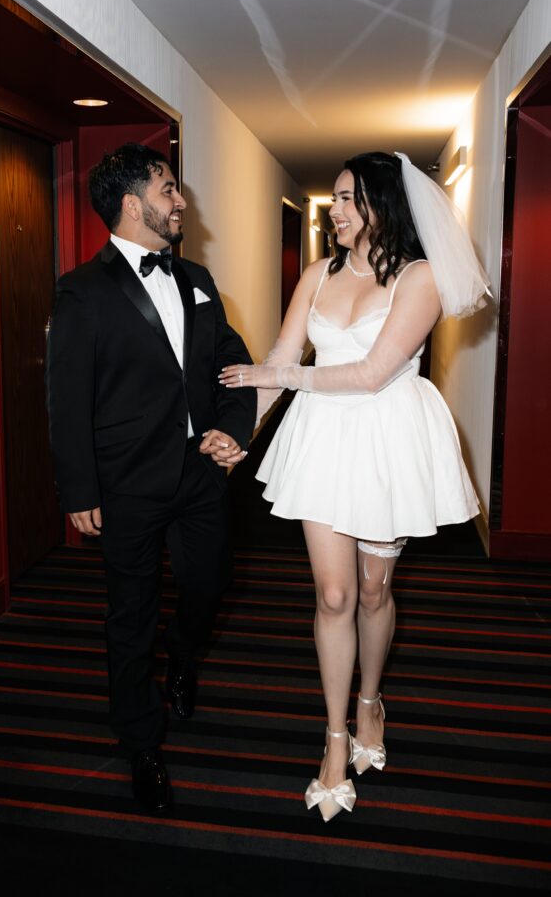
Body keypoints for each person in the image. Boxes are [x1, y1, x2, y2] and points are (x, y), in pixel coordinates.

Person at [220, 151, 489, 824]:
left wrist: (274, 378)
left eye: (347, 198)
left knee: (373, 590)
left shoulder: (420, 278)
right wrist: (241, 435)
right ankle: (335, 735)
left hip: (388, 441)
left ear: (382, 205)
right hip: (323, 442)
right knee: (333, 593)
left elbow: (371, 375)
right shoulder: (316, 274)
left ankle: (372, 698)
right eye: (333, 197)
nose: (333, 210)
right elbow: (281, 363)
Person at [46, 143, 256, 813]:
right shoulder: (81, 291)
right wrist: (78, 490)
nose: (181, 201)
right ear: (134, 204)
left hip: (198, 477)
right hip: (125, 485)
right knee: (128, 615)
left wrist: (234, 428)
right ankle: (141, 743)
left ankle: (185, 653)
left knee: (208, 584)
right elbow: (66, 397)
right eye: (169, 189)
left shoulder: (195, 277)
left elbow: (232, 359)